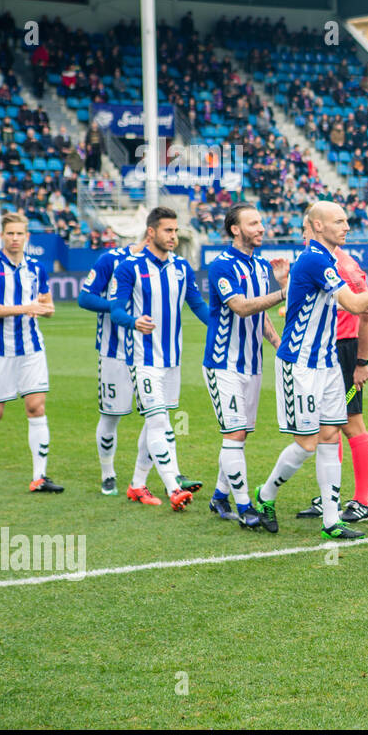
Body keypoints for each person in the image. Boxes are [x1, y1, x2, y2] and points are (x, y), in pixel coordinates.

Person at [250, 202, 368, 539]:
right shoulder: (314, 259)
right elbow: (354, 305)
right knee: (307, 443)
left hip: (325, 364)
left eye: (346, 220)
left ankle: (330, 521)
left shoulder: (326, 260)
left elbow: (357, 303)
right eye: (339, 221)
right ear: (318, 226)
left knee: (330, 436)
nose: (347, 226)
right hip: (300, 363)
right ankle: (265, 495)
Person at [110, 207, 211, 512]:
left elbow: (198, 305)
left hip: (172, 360)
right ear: (151, 232)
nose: (174, 236)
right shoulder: (129, 267)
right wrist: (133, 322)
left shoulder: (181, 267)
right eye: (168, 230)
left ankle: (137, 485)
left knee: (155, 423)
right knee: (159, 421)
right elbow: (116, 310)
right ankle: (174, 487)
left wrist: (224, 328)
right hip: (143, 359)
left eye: (175, 230)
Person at [202, 204, 288, 526]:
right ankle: (246, 508)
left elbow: (260, 313)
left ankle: (219, 497)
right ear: (235, 229)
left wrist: (278, 344)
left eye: (261, 222)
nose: (261, 228)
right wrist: (283, 292)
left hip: (252, 364)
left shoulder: (257, 265)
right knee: (235, 433)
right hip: (223, 364)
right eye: (253, 223)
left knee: (239, 436)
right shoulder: (222, 265)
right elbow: (241, 307)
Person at [296, 237, 368, 524]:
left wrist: (361, 362)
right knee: (328, 424)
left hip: (345, 349)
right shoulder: (322, 262)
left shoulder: (344, 265)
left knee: (351, 423)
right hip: (326, 350)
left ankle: (361, 500)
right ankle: (330, 494)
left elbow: (366, 314)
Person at [0, 213, 61, 492]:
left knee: (36, 407)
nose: (15, 239)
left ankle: (39, 477)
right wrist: (24, 308)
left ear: (27, 237)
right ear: (1, 236)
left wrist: (46, 309)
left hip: (32, 348)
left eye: (20, 234)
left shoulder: (37, 268)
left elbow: (47, 305)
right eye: (10, 234)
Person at [77, 233, 146, 496]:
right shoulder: (111, 259)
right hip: (113, 350)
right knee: (111, 415)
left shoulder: (167, 263)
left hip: (151, 353)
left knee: (157, 416)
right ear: (151, 233)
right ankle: (108, 473)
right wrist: (118, 306)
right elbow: (85, 298)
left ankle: (155, 474)